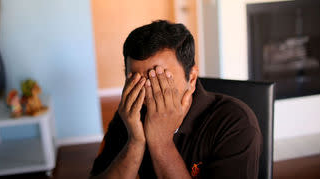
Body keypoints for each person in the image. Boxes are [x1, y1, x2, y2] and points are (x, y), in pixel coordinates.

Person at [90, 20, 262, 179]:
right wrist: (134, 142)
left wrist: (162, 143)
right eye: (136, 80)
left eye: (160, 79)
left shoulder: (235, 123)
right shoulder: (130, 115)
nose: (147, 92)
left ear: (192, 78)